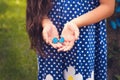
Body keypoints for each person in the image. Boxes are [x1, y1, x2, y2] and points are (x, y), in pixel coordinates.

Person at [26, 0, 115, 80]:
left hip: (84, 40)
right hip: (51, 39)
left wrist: (75, 24)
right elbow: (36, 5)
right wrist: (46, 22)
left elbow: (107, 7)